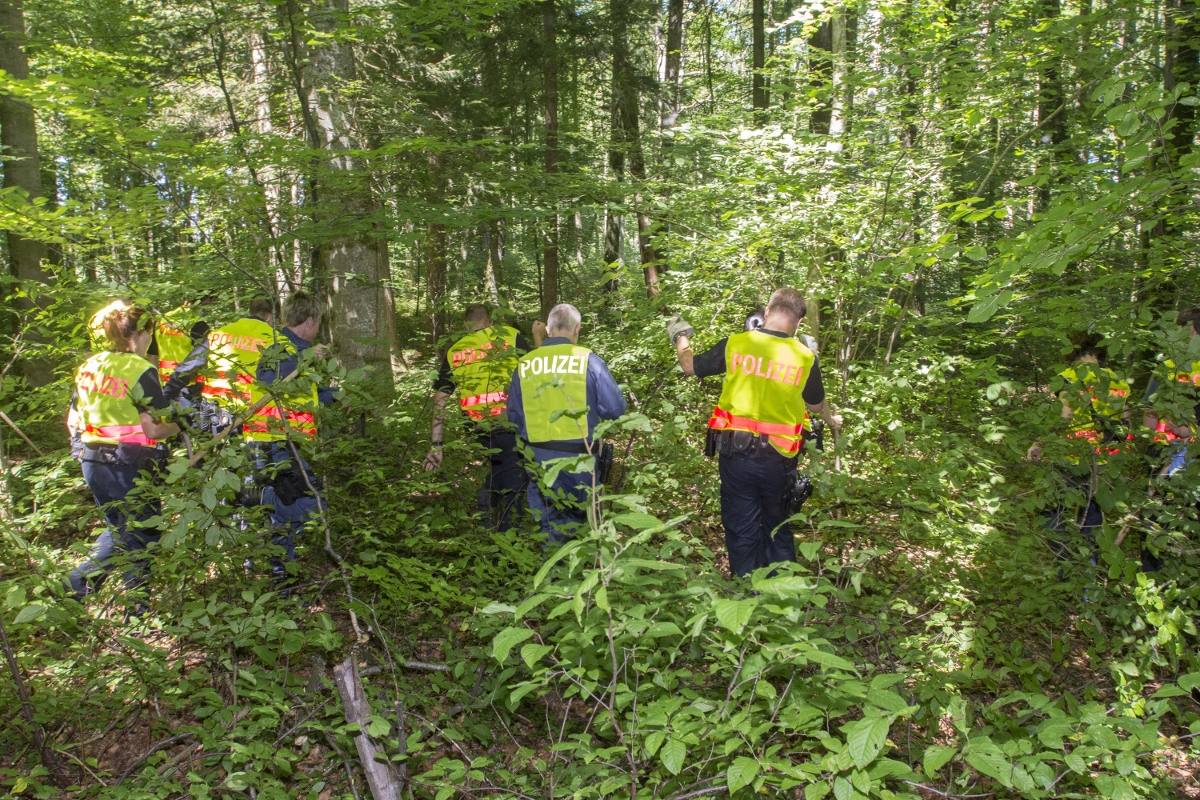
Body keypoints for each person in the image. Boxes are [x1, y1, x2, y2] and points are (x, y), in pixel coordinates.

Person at [669, 288, 834, 579]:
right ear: (798, 323)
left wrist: (680, 334)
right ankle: (781, 593)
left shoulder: (736, 343)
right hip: (780, 460)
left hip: (737, 456)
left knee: (741, 528)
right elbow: (816, 405)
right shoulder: (804, 357)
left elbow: (689, 365)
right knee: (778, 527)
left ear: (767, 312)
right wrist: (831, 418)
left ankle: (747, 590)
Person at [66, 305, 181, 612]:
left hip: (92, 462)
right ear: (141, 333)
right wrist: (184, 423)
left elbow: (72, 421)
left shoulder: (90, 366)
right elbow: (155, 428)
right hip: (130, 464)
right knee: (143, 533)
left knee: (120, 528)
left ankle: (74, 591)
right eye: (150, 333)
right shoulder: (139, 370)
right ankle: (135, 609)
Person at [507, 303, 626, 549]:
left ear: (548, 330)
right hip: (581, 461)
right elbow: (615, 410)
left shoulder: (525, 364)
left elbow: (515, 417)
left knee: (551, 530)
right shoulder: (589, 361)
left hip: (539, 460)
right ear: (577, 329)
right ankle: (586, 570)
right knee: (586, 529)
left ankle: (554, 569)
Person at [247, 291, 338, 582]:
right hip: (274, 442)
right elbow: (268, 378)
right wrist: (305, 358)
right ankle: (253, 500)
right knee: (312, 503)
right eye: (318, 322)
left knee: (287, 508)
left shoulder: (296, 349)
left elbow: (303, 392)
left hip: (286, 441)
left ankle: (282, 573)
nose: (318, 329)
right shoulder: (282, 346)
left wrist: (337, 395)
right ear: (309, 320)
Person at [424, 304, 541, 531]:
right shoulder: (509, 336)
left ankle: (487, 498)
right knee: (515, 482)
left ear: (465, 325)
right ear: (491, 322)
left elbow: (440, 399)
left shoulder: (455, 350)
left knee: (502, 465)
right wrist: (538, 337)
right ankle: (508, 537)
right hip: (509, 423)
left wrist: (436, 445)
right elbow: (537, 369)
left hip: (476, 427)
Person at [1026, 335, 1130, 568]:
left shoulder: (1070, 377)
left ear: (1073, 352)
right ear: (1100, 354)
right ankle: (1087, 572)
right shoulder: (1117, 381)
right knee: (1091, 517)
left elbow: (1064, 416)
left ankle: (1067, 561)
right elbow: (1125, 424)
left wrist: (1040, 443)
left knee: (1050, 511)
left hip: (1072, 458)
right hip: (1105, 461)